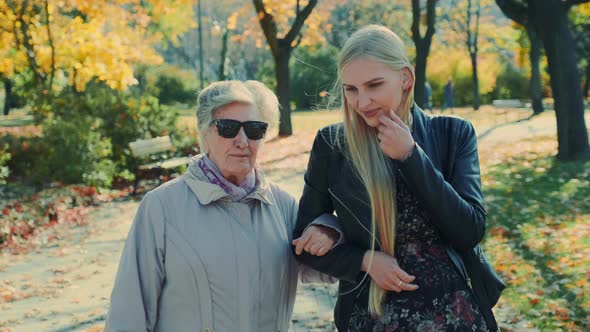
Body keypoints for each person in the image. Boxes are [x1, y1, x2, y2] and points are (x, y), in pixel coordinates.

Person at [293, 25, 502, 331]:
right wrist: (364, 260)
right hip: (372, 315)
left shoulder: (453, 133)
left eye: (374, 85)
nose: (362, 102)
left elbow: (469, 230)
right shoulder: (332, 144)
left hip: (455, 314)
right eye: (351, 89)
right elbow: (301, 241)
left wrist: (411, 157)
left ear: (405, 78)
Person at [105, 80, 342, 332]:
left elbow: (329, 270)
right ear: (204, 132)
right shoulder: (161, 207)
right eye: (228, 128)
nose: (242, 141)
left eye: (254, 129)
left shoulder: (283, 205)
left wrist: (331, 229)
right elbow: (129, 311)